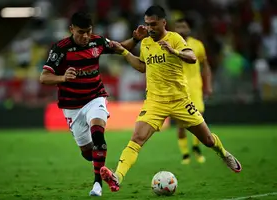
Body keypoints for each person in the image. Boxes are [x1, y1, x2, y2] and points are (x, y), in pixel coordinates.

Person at [99, 5, 242, 192]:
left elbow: (192, 57)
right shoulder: (146, 43)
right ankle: (117, 177)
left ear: (163, 22)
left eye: (153, 24)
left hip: (180, 101)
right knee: (137, 138)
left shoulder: (174, 38)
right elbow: (143, 67)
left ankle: (224, 154)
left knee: (207, 140)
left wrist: (175, 52)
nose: (150, 28)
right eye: (147, 24)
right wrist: (125, 53)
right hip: (155, 102)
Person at [39, 11, 147, 196]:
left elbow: (119, 48)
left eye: (88, 31)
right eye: (81, 32)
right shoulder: (60, 48)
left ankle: (98, 183)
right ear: (71, 29)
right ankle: (100, 167)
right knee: (88, 153)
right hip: (72, 106)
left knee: (98, 133)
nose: (85, 36)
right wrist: (63, 77)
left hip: (95, 97)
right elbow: (44, 77)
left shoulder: (96, 41)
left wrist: (135, 39)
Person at [173, 18, 213, 164]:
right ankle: (185, 154)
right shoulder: (170, 44)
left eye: (183, 26)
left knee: (199, 119)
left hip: (196, 86)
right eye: (178, 27)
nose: (181, 29)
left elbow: (205, 65)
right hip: (179, 88)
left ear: (188, 29)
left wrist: (208, 85)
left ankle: (196, 147)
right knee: (181, 124)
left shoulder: (197, 45)